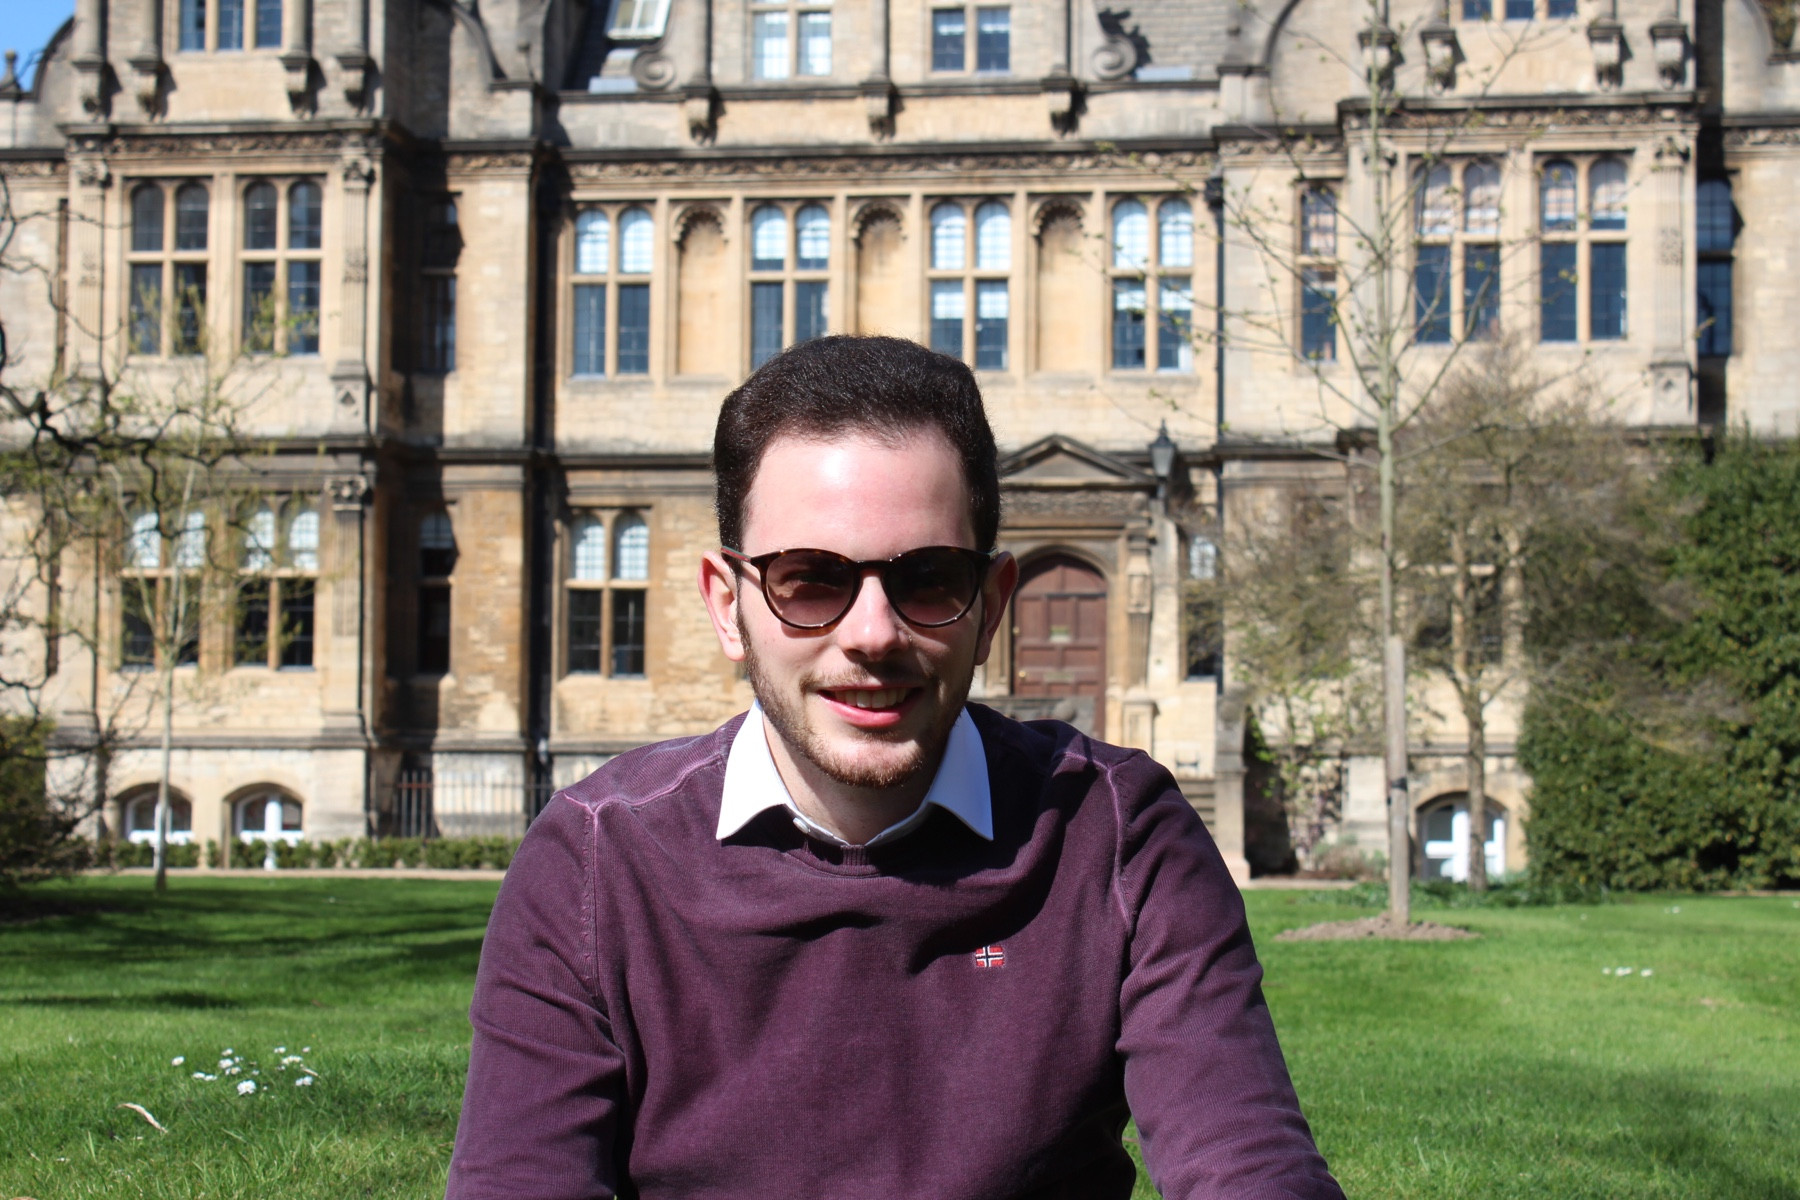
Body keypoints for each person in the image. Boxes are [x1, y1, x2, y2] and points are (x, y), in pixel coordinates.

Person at [445, 336, 1344, 1200]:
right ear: (727, 606)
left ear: (991, 606)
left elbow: (1249, 1165)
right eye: (809, 579)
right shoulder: (597, 864)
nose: (872, 634)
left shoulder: (1116, 835)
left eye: (928, 579)